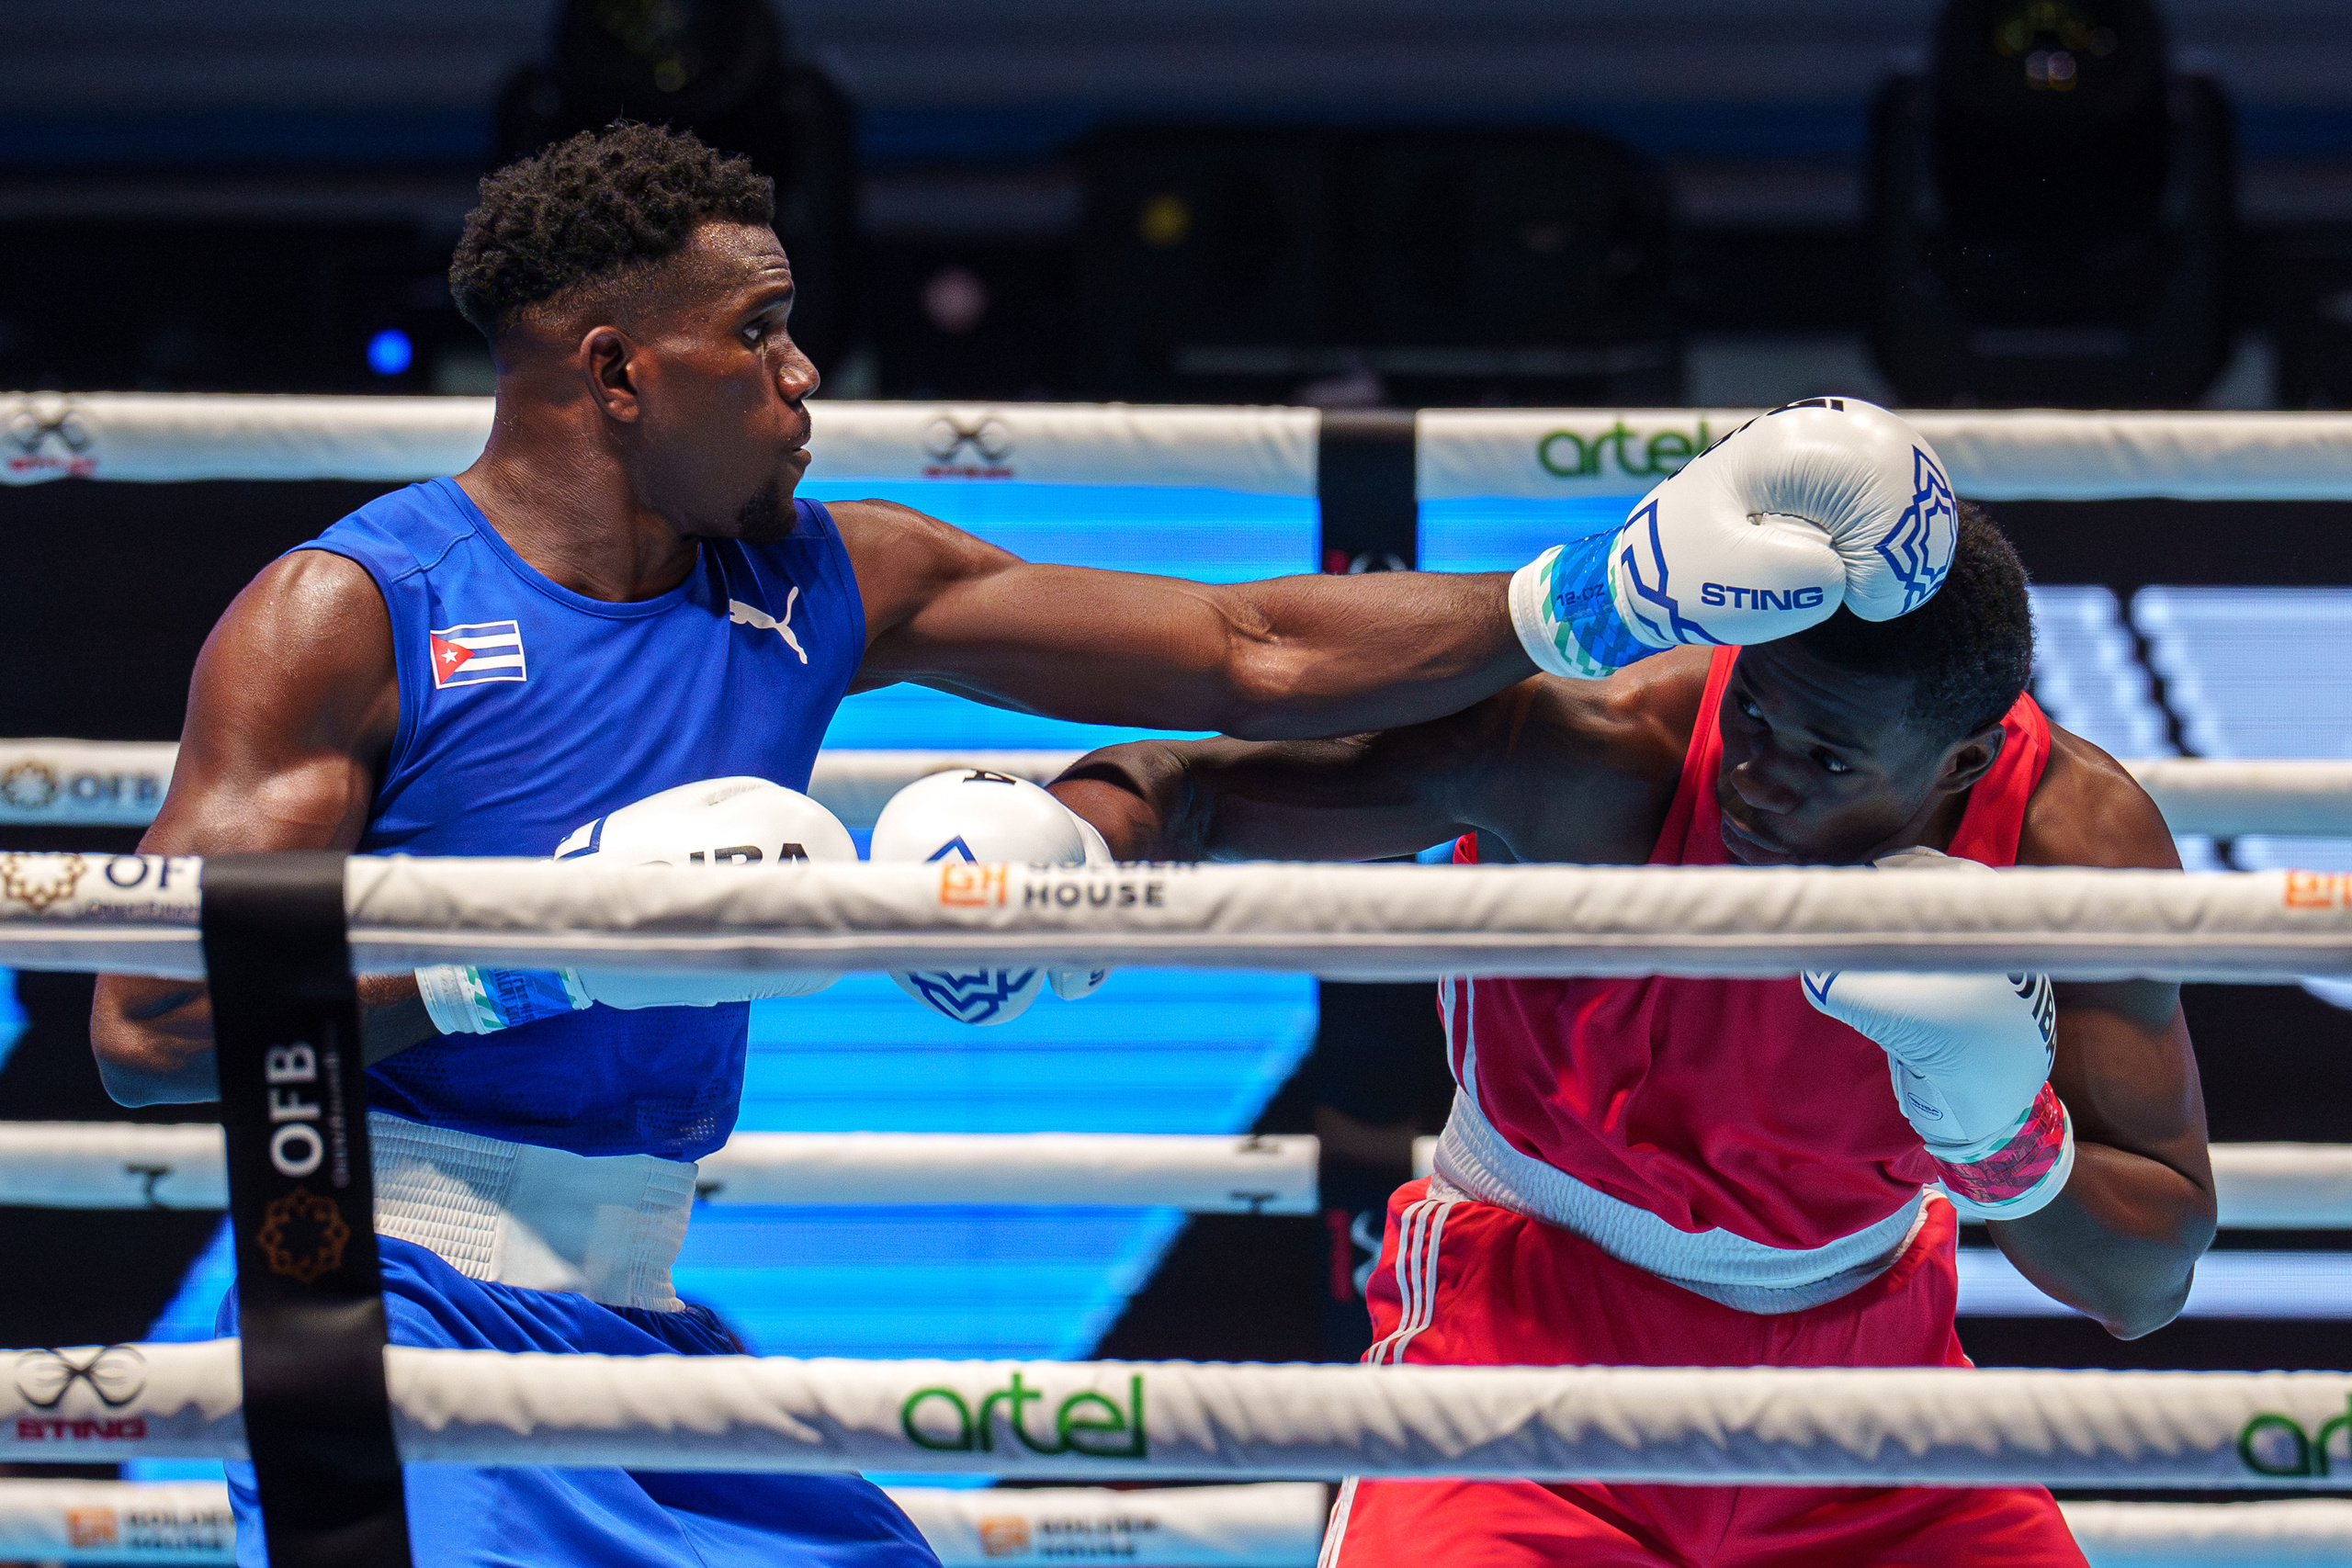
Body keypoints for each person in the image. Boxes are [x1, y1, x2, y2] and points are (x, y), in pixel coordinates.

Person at [87, 124, 1955, 1564]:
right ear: (615, 371)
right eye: (758, 334)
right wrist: (528, 960)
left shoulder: (818, 576)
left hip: (633, 1317)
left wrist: (1598, 595)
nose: (805, 376)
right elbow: (150, 1027)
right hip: (387, 1299)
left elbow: (1247, 648)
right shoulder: (353, 613)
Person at [1051, 505, 2216, 1565]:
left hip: (1872, 1394)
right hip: (1520, 1358)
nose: (1756, 779)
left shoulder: (2072, 842)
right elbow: (1190, 786)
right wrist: (1065, 851)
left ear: (1964, 760)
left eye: (1826, 760)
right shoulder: (1607, 751)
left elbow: (2142, 1285)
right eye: (1754, 711)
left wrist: (2002, 1132)